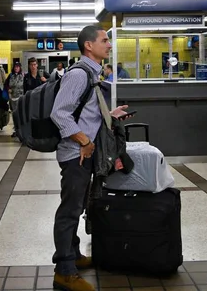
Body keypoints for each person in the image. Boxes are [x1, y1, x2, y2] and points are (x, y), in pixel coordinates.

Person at [50, 25, 130, 291]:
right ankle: (64, 270)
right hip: (76, 155)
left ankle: (73, 255)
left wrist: (111, 114)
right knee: (69, 211)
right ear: (88, 46)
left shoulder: (93, 73)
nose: (109, 45)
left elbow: (87, 112)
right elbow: (59, 113)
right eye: (105, 40)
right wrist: (84, 141)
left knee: (77, 206)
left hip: (84, 154)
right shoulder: (79, 74)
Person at [5, 62, 24, 138]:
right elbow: (6, 84)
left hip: (21, 97)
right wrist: (8, 89)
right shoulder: (10, 75)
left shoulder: (23, 75)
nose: (16, 68)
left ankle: (21, 130)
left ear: (20, 68)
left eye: (17, 67)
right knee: (14, 114)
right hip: (12, 98)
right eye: (15, 67)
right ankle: (16, 130)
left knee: (21, 114)